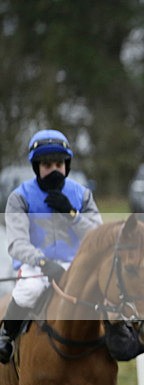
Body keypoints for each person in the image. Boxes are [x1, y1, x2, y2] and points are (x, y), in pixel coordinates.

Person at [0, 129, 102, 362]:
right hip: (36, 265)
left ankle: (120, 338)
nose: (54, 170)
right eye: (46, 165)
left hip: (77, 264)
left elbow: (99, 236)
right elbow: (17, 244)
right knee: (29, 291)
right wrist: (44, 262)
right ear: (36, 167)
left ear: (66, 165)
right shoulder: (20, 197)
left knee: (102, 290)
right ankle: (6, 335)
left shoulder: (82, 194)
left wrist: (72, 214)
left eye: (58, 164)